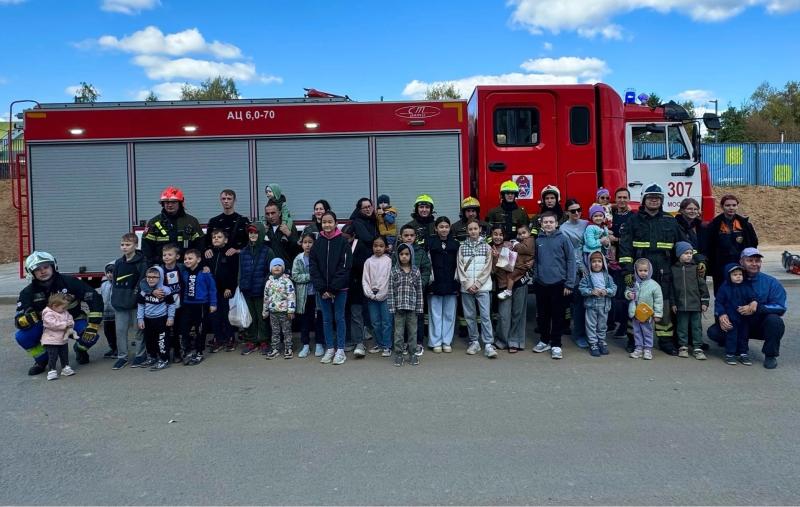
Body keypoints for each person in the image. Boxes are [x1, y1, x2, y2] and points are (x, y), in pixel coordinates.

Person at [618, 182, 685, 355]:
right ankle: (634, 340)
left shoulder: (670, 220)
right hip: (640, 271)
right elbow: (624, 248)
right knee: (637, 304)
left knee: (663, 305)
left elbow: (683, 244)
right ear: (643, 200)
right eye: (651, 198)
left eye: (657, 198)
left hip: (664, 270)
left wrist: (697, 259)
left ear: (662, 200)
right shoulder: (633, 220)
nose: (654, 201)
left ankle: (665, 341)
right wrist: (627, 271)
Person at [14, 251, 103, 375]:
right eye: (37, 269)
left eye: (46, 267)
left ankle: (80, 350)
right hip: (46, 326)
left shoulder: (70, 282)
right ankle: (42, 359)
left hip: (72, 321)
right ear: (31, 272)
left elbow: (94, 298)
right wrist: (24, 320)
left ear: (53, 266)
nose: (43, 271)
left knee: (91, 336)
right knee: (22, 337)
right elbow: (18, 318)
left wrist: (93, 325)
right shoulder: (27, 292)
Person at [707, 248, 786, 369]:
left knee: (775, 322)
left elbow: (780, 307)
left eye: (757, 260)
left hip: (758, 324)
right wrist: (721, 315)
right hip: (735, 321)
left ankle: (770, 355)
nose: (754, 264)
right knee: (713, 332)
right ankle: (733, 347)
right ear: (741, 262)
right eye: (750, 260)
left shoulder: (772, 282)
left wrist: (758, 307)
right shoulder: (728, 282)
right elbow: (720, 302)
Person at [309, 211, 352, 366]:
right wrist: (322, 289)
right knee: (326, 319)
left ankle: (340, 349)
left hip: (340, 289)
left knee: (339, 318)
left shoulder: (343, 242)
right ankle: (330, 349)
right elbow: (313, 268)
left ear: (335, 223)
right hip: (323, 291)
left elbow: (345, 267)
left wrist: (333, 289)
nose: (327, 225)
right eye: (324, 222)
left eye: (330, 222)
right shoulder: (317, 243)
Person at [531, 212, 576, 360]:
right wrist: (536, 277)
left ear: (556, 224)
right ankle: (544, 340)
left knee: (558, 316)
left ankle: (556, 344)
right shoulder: (538, 240)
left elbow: (571, 261)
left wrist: (569, 283)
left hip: (559, 284)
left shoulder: (563, 239)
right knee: (543, 315)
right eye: (545, 222)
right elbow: (536, 261)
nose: (548, 224)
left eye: (551, 222)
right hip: (541, 284)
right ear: (541, 224)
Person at [456, 219, 497, 358]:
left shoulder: (487, 247)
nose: (473, 231)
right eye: (470, 229)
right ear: (467, 231)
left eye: (475, 228)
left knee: (485, 316)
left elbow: (488, 267)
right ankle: (474, 341)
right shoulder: (462, 247)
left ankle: (488, 344)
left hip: (483, 287)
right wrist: (467, 285)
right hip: (466, 288)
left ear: (480, 230)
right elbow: (460, 267)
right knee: (469, 316)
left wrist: (478, 284)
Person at [706, 194, 758, 295]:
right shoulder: (714, 225)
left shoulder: (745, 225)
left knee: (742, 293)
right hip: (720, 267)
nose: (731, 208)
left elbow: (753, 243)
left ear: (737, 206)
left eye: (734, 205)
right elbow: (709, 247)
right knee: (722, 294)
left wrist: (749, 262)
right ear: (722, 207)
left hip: (741, 265)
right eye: (728, 205)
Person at [393, 224, 432, 356]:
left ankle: (418, 343)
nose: (409, 238)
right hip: (401, 293)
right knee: (401, 320)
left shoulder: (420, 251)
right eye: (406, 235)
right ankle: (404, 343)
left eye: (411, 235)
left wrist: (421, 283)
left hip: (417, 291)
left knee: (418, 318)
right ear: (401, 236)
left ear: (415, 237)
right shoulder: (397, 252)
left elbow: (426, 269)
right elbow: (393, 270)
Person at [111, 232, 148, 370]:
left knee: (138, 330)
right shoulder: (118, 262)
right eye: (122, 245)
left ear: (135, 245)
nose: (124, 247)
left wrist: (135, 297)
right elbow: (114, 282)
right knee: (120, 331)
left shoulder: (142, 262)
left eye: (128, 245)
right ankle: (122, 357)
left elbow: (142, 282)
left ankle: (140, 355)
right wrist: (114, 298)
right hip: (119, 304)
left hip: (135, 303)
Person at [141, 186, 203, 266]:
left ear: (180, 203)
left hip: (187, 267)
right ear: (163, 204)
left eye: (173, 202)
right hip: (161, 267)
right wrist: (151, 266)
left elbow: (200, 246)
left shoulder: (191, 221)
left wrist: (197, 265)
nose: (170, 205)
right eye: (166, 202)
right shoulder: (154, 222)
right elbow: (146, 248)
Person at [495, 224, 534, 353]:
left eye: (501, 235)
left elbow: (533, 253)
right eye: (495, 234)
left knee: (518, 314)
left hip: (520, 282)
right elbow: (494, 269)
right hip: (503, 284)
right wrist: (495, 256)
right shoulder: (491, 248)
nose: (498, 237)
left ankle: (515, 341)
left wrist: (532, 261)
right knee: (503, 315)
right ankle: (501, 341)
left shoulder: (514, 244)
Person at [238, 223, 274, 356]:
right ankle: (251, 340)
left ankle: (264, 340)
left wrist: (266, 285)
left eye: (256, 233)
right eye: (250, 233)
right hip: (247, 289)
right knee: (250, 317)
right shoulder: (243, 252)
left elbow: (271, 271)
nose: (253, 235)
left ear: (261, 234)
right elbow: (240, 271)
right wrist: (240, 285)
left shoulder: (267, 251)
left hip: (261, 290)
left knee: (262, 317)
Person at [670, 241, 710, 360]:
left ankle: (698, 347)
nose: (689, 255)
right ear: (678, 254)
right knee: (682, 327)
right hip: (681, 305)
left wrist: (705, 302)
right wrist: (673, 303)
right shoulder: (673, 269)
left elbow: (703, 286)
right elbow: (671, 289)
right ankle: (683, 347)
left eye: (690, 253)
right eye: (686, 253)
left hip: (696, 305)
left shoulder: (695, 269)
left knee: (696, 327)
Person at [560, 198, 590, 349]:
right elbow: (570, 252)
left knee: (593, 304)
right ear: (567, 212)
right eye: (573, 211)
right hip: (577, 269)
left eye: (579, 210)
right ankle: (579, 335)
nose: (577, 213)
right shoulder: (563, 229)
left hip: (593, 265)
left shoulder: (586, 223)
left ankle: (593, 334)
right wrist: (580, 267)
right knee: (579, 304)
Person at [427, 217, 461, 353]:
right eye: (441, 227)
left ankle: (446, 341)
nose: (444, 229)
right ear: (436, 228)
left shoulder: (455, 244)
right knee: (435, 314)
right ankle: (435, 342)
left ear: (450, 227)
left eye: (446, 226)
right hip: (435, 283)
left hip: (451, 283)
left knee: (449, 314)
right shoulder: (430, 243)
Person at [713, 264, 757, 365]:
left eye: (740, 274)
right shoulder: (724, 287)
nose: (738, 276)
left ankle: (743, 353)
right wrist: (721, 313)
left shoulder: (746, 286)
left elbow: (752, 297)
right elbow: (719, 302)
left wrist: (753, 302)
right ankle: (730, 354)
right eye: (735, 274)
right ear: (728, 276)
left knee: (744, 336)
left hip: (744, 318)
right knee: (731, 336)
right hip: (731, 318)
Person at [388, 243, 424, 366]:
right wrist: (392, 307)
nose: (404, 257)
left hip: (412, 308)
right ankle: (398, 354)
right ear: (398, 256)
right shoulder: (394, 271)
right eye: (401, 254)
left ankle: (413, 354)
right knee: (398, 333)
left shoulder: (416, 272)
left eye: (407, 254)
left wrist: (419, 307)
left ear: (411, 255)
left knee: (413, 332)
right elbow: (391, 290)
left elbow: (419, 290)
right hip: (399, 308)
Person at [180, 249, 217, 366]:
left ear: (199, 259)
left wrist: (213, 303)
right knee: (184, 328)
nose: (187, 261)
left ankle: (199, 352)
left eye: (190, 258)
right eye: (185, 259)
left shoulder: (205, 273)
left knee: (200, 330)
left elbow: (212, 289)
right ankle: (187, 351)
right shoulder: (184, 272)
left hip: (201, 305)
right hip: (187, 304)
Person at [136, 266, 176, 371]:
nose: (151, 279)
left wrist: (170, 318)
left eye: (154, 277)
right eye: (148, 277)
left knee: (162, 341)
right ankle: (152, 357)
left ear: (161, 277)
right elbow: (141, 305)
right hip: (147, 320)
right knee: (150, 340)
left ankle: (164, 359)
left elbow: (171, 305)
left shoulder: (165, 291)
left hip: (162, 320)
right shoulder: (144, 291)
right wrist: (140, 319)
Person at [206, 229, 239, 353]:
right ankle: (218, 338)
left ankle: (230, 337)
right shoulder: (209, 253)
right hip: (212, 292)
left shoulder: (230, 254)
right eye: (214, 237)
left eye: (219, 237)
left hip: (226, 291)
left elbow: (234, 273)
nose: (216, 239)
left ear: (225, 240)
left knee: (226, 315)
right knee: (214, 316)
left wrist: (230, 287)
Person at [578, 251, 616, 357]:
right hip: (591, 305)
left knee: (602, 325)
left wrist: (607, 291)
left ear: (603, 263)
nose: (596, 264)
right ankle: (593, 343)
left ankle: (601, 341)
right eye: (594, 262)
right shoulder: (587, 277)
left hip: (604, 305)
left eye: (599, 261)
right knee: (591, 325)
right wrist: (591, 291)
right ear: (590, 264)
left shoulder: (608, 277)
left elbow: (614, 289)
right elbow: (581, 288)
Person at [293, 232, 324, 358]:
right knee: (305, 321)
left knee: (319, 320)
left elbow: (322, 274)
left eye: (310, 242)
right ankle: (305, 345)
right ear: (301, 244)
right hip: (304, 296)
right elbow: (295, 276)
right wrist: (311, 276)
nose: (308, 245)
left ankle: (319, 344)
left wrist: (316, 278)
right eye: (305, 242)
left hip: (317, 295)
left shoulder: (319, 257)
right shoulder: (298, 259)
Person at [626, 258, 663, 360]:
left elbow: (658, 301)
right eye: (640, 271)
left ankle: (647, 349)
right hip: (635, 313)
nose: (643, 273)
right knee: (636, 331)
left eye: (645, 271)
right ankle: (638, 348)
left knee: (647, 331)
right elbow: (627, 291)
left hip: (647, 314)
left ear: (649, 270)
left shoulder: (654, 285)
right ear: (636, 271)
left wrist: (658, 314)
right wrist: (629, 294)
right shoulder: (633, 283)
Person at [362, 235, 393, 357]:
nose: (378, 248)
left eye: (381, 246)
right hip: (371, 297)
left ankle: (387, 345)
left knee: (387, 321)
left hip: (385, 296)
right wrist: (369, 293)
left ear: (386, 247)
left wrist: (382, 293)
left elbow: (388, 279)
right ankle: (379, 344)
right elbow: (365, 279)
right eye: (375, 246)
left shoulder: (389, 261)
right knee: (375, 322)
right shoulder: (368, 261)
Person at [608, 188, 633, 337]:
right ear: (615, 199)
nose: (622, 200)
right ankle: (610, 323)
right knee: (612, 295)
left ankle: (624, 326)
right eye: (619, 197)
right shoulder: (610, 216)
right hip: (610, 261)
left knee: (624, 296)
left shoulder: (633, 217)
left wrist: (616, 240)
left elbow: (633, 239)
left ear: (629, 199)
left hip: (625, 261)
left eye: (625, 197)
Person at [263, 258, 296, 359]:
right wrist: (265, 311)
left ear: (283, 268)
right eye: (274, 265)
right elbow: (266, 297)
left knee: (287, 331)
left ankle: (288, 348)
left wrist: (291, 310)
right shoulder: (268, 282)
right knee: (275, 331)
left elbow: (291, 295)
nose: (277, 267)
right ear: (270, 268)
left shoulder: (287, 281)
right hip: (273, 312)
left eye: (279, 265)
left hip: (285, 312)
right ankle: (275, 348)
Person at [204, 189, 250, 261]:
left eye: (229, 199)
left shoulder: (243, 221)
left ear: (234, 200)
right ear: (220, 200)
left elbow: (249, 242)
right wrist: (207, 250)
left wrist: (237, 250)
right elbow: (207, 241)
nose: (226, 201)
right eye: (223, 199)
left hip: (237, 261)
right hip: (217, 261)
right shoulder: (213, 221)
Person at [42, 293, 77, 381]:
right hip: (51, 340)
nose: (65, 310)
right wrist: (65, 324)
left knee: (64, 354)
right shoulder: (48, 313)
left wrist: (71, 323)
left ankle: (65, 367)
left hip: (62, 339)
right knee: (53, 356)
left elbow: (70, 318)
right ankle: (52, 370)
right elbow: (52, 324)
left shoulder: (64, 312)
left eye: (66, 308)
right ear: (54, 306)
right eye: (63, 308)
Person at [159, 244, 185, 363]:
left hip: (179, 305)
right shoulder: (159, 270)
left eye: (170, 254)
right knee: (165, 331)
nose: (166, 257)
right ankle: (164, 353)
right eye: (164, 255)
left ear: (177, 256)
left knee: (178, 330)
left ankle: (178, 352)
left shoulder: (181, 267)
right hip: (164, 307)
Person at [496, 223, 535, 301]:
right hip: (521, 265)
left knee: (511, 277)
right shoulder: (525, 240)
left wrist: (516, 244)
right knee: (511, 276)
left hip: (521, 266)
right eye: (519, 234)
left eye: (524, 233)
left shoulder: (530, 240)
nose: (522, 235)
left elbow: (524, 249)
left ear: (529, 233)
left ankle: (508, 291)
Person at [264, 202, 299, 269]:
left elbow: (297, 248)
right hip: (270, 270)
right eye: (267, 214)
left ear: (279, 213)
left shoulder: (289, 226)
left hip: (286, 269)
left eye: (273, 213)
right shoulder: (265, 230)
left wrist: (289, 234)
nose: (270, 216)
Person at [100, 262, 117, 359]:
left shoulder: (118, 284)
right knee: (108, 332)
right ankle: (112, 348)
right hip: (106, 313)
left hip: (116, 313)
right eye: (108, 272)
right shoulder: (104, 285)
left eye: (112, 272)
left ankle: (118, 349)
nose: (110, 274)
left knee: (116, 333)